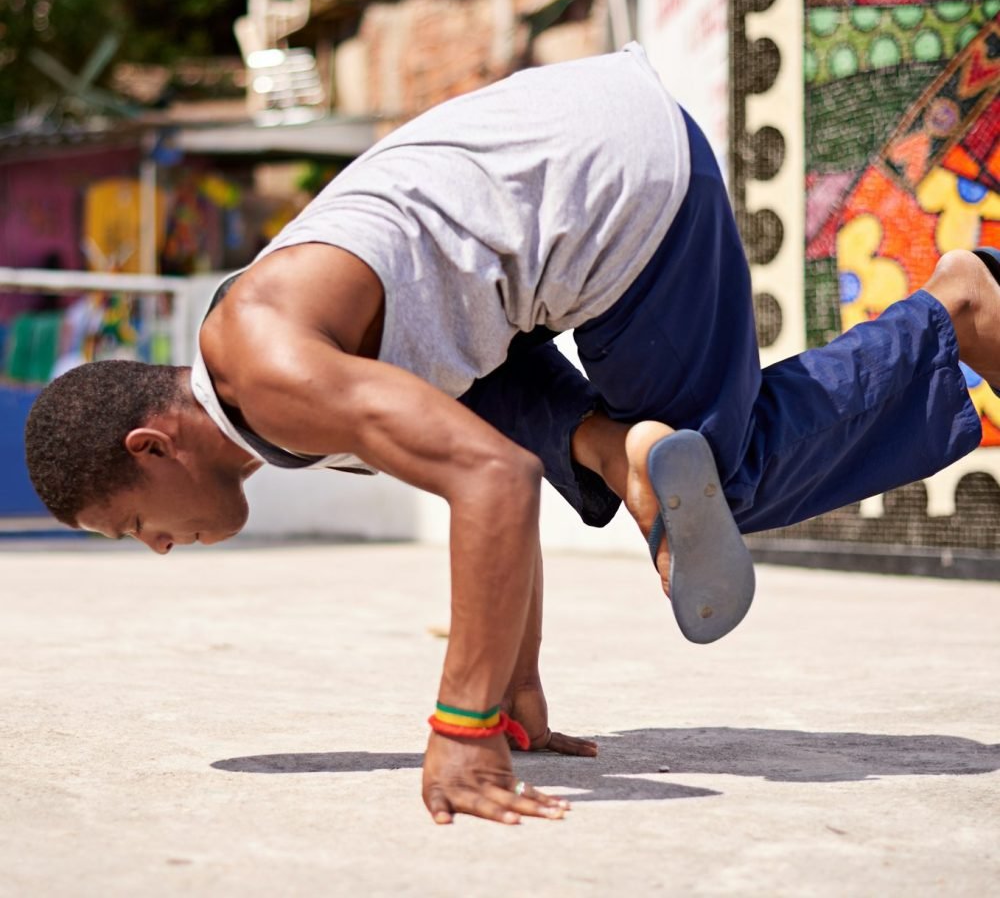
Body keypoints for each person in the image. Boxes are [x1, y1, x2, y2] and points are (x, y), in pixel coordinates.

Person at [24, 43, 1000, 827]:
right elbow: (484, 445)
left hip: (617, 192)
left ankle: (953, 313)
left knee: (729, 481)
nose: (156, 547)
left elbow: (489, 481)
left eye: (132, 526)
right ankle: (614, 446)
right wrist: (511, 683)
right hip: (586, 158)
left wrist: (460, 726)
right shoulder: (275, 368)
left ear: (153, 448)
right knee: (492, 410)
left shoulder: (272, 371)